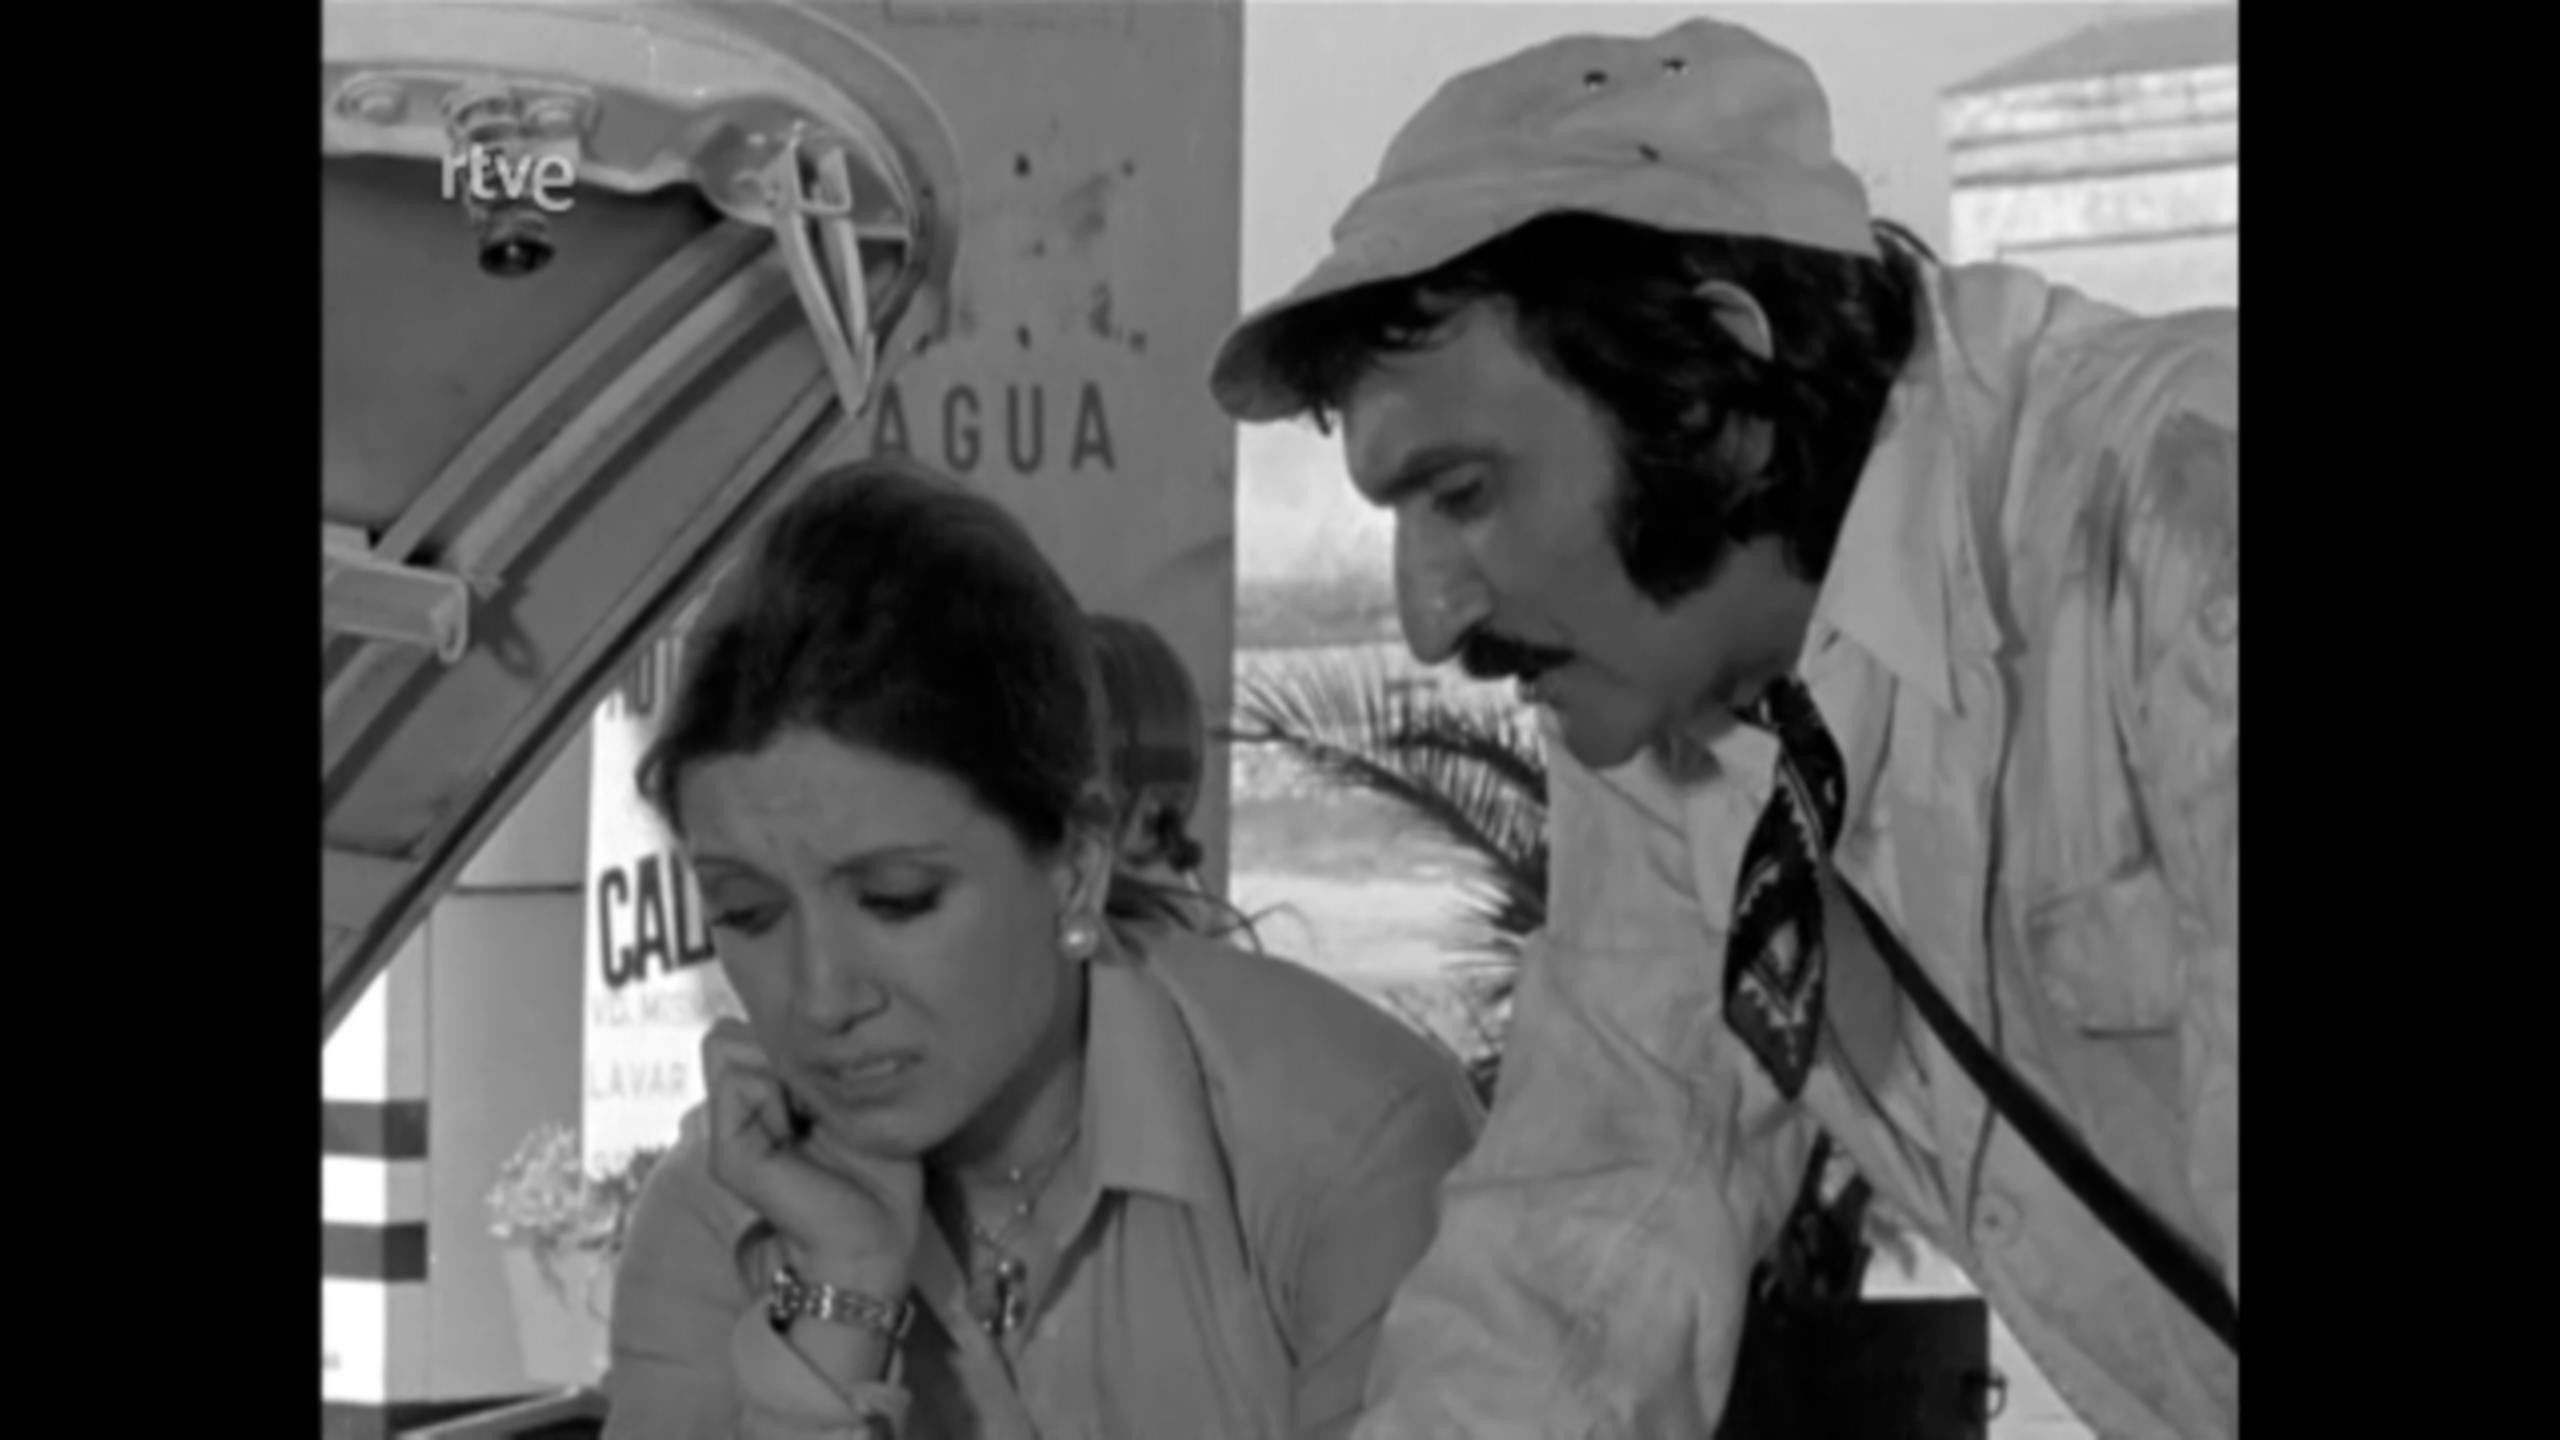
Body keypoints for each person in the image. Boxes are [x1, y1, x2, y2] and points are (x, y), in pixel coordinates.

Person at [1208, 17, 2237, 1440]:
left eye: (1465, 495)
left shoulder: (2177, 532)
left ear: (1713, 392)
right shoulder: (1679, 714)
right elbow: (1575, 1263)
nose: (1428, 620)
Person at [601, 455, 1483, 1439]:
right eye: (747, 913)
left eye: (896, 900)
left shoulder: (1349, 1148)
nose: (820, 998)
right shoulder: (721, 1215)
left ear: (1075, 870)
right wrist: (838, 1305)